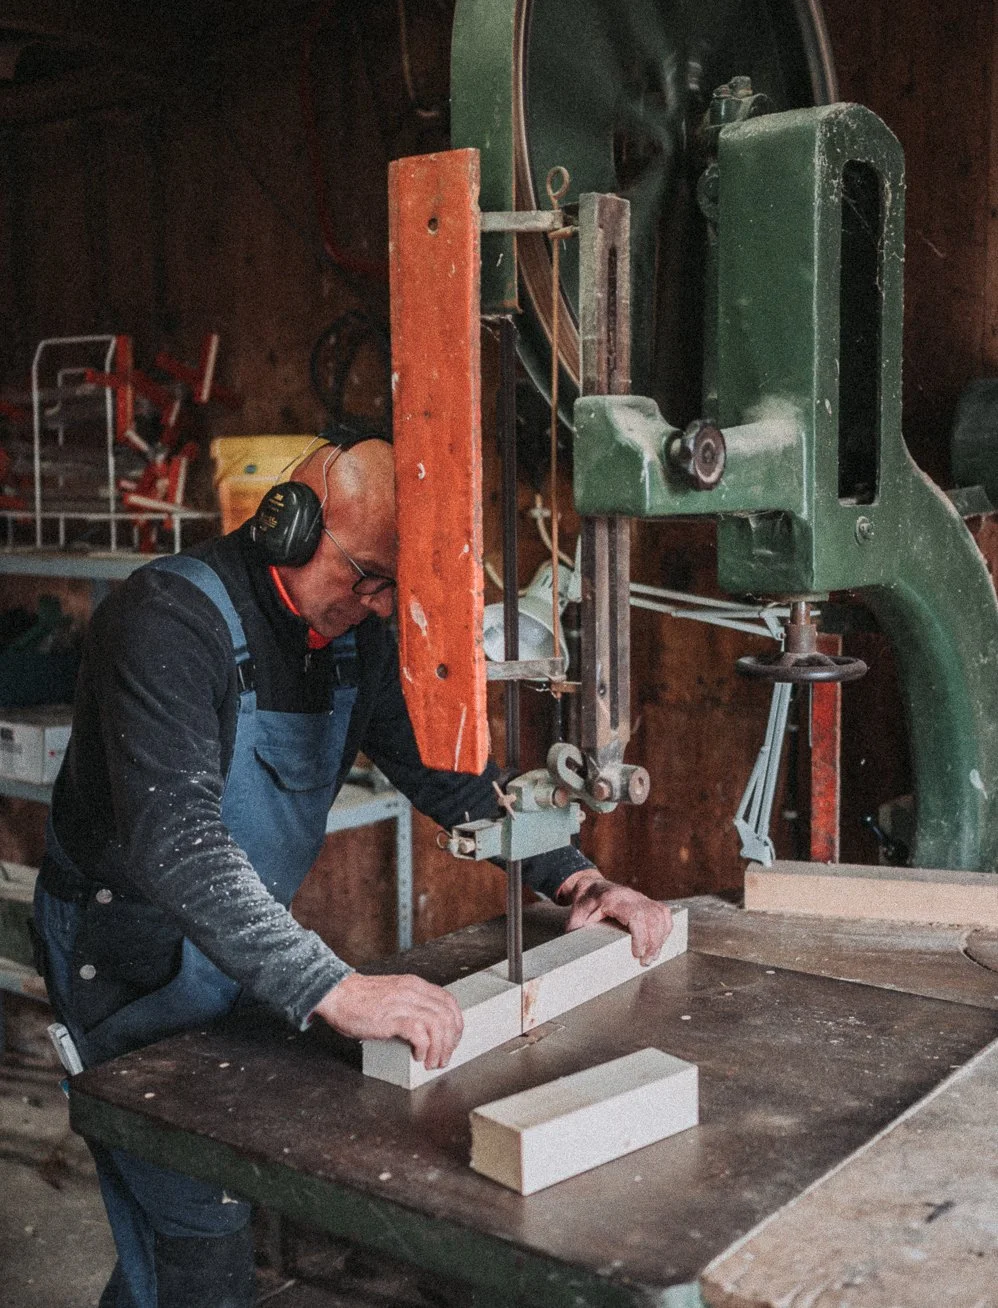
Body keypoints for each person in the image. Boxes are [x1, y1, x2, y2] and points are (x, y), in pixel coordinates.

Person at [33, 438, 672, 1308]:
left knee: (214, 1208)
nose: (375, 604)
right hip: (128, 953)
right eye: (368, 576)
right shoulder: (166, 623)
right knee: (195, 1233)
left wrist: (569, 876)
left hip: (238, 942)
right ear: (289, 523)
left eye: (391, 590)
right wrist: (330, 984)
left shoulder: (352, 635)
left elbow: (438, 775)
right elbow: (175, 838)